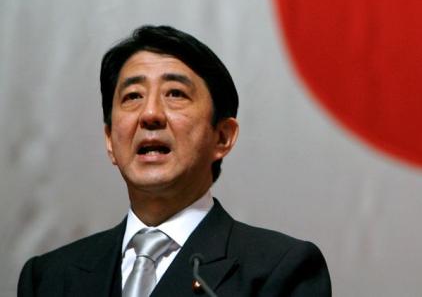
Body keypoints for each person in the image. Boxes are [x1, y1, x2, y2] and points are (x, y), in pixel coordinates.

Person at [18, 25, 331, 296]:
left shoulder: (279, 270)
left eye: (176, 94)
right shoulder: (49, 278)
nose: (150, 114)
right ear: (110, 140)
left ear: (222, 136)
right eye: (132, 96)